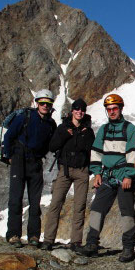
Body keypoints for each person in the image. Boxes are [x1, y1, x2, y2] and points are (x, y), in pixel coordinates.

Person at [79, 93, 135, 260]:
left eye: (115, 108)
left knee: (126, 211)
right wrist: (97, 173)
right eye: (109, 109)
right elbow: (96, 152)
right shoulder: (104, 129)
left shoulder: (130, 129)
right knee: (97, 208)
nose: (112, 112)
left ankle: (128, 247)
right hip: (107, 176)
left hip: (123, 175)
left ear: (120, 109)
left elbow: (132, 153)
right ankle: (91, 244)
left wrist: (129, 176)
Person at [4, 89, 57, 247]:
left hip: (36, 162)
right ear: (36, 103)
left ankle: (33, 235)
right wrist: (9, 155)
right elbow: (9, 136)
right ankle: (13, 234)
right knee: (16, 198)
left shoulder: (51, 124)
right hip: (19, 159)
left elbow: (53, 143)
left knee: (35, 201)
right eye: (42, 103)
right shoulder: (24, 117)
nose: (45, 106)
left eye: (48, 104)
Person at [42, 98, 95, 251]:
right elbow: (52, 147)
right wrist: (65, 135)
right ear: (72, 110)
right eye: (77, 108)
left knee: (79, 206)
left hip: (82, 171)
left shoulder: (88, 131)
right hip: (64, 170)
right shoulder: (62, 127)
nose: (80, 111)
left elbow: (92, 151)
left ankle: (76, 242)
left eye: (82, 109)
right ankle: (48, 240)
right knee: (56, 203)